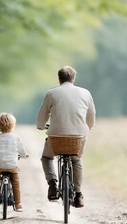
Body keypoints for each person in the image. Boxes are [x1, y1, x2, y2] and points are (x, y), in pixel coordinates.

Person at [36, 65, 96, 208]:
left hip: (56, 136)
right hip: (78, 137)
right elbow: (91, 116)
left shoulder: (51, 93)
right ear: (73, 78)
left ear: (59, 79)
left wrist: (40, 125)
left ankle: (52, 185)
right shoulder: (85, 93)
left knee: (46, 157)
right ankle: (78, 194)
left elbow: (42, 115)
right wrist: (89, 125)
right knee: (76, 160)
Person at [0, 113, 29, 212]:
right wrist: (25, 155)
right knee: (16, 184)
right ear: (13, 125)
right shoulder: (16, 138)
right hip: (13, 166)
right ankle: (18, 204)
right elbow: (22, 151)